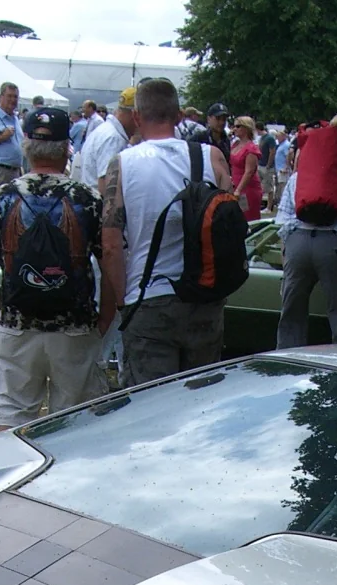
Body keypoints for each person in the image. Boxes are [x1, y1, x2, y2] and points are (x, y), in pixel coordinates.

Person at [0, 106, 109, 431]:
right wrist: (105, 317)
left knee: (7, 418)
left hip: (17, 324)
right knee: (77, 424)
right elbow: (111, 262)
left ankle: (7, 478)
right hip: (75, 326)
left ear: (25, 144)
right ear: (67, 147)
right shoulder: (90, 200)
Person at [100, 77, 231, 387]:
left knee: (149, 411)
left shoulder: (122, 164)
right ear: (179, 116)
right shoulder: (211, 157)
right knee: (198, 407)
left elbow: (110, 246)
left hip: (148, 298)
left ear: (136, 117)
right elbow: (228, 230)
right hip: (203, 299)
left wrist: (123, 304)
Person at [274, 130, 337, 347]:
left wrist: (286, 268)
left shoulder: (297, 179)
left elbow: (283, 226)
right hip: (332, 246)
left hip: (297, 244)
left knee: (291, 315)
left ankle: (288, 366)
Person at [79, 86, 135, 192]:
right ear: (134, 114)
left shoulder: (106, 130)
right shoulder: (113, 138)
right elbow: (106, 185)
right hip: (99, 205)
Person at [229, 115, 262, 220]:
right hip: (235, 186)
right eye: (234, 126)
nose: (235, 129)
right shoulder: (235, 145)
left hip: (247, 189)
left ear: (246, 128)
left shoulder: (251, 148)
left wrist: (238, 190)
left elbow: (249, 171)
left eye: (238, 126)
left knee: (247, 219)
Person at [257, 124, 276, 211]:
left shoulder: (269, 138)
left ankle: (269, 207)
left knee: (269, 187)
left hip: (267, 166)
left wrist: (268, 164)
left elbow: (272, 152)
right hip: (260, 165)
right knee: (260, 186)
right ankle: (261, 204)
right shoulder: (261, 138)